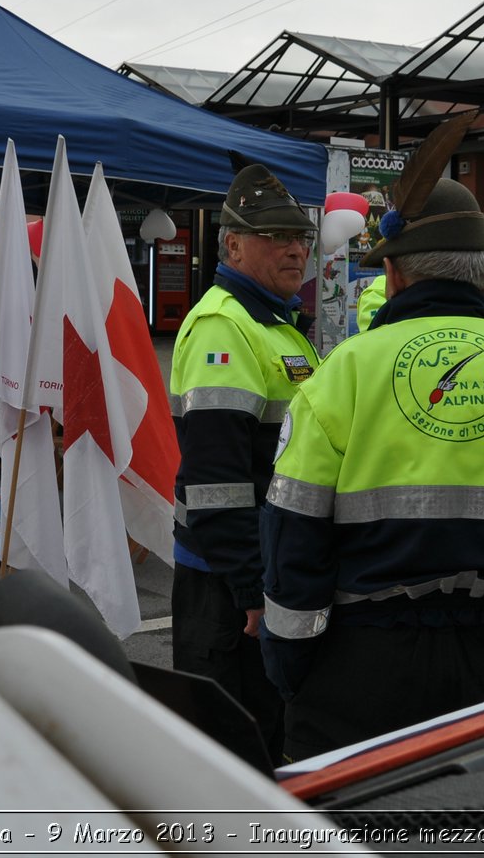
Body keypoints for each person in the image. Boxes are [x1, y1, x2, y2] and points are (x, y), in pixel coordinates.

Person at [260, 175, 484, 761]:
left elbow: (292, 535)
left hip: (357, 670)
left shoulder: (343, 372)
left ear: (396, 275)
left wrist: (292, 668)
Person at [170, 162, 320, 762]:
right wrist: (252, 587)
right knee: (232, 755)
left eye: (302, 238)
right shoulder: (225, 326)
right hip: (226, 585)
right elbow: (216, 482)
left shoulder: (277, 324)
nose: (295, 250)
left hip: (259, 569)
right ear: (232, 244)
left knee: (268, 741)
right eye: (277, 238)